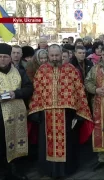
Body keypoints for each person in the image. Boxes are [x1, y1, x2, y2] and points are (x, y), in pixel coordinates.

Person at [28, 44, 94, 178]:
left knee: (68, 143)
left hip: (67, 114)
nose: (54, 58)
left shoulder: (71, 70)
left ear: (62, 54)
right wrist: (35, 111)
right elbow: (37, 91)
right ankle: (48, 170)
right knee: (47, 144)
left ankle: (66, 170)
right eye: (51, 55)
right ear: (48, 55)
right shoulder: (42, 70)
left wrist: (79, 111)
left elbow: (79, 91)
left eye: (56, 55)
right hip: (46, 115)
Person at [0, 43, 33, 179]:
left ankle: (17, 170)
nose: (2, 59)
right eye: (0, 57)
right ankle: (4, 173)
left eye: (5, 57)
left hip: (19, 116)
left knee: (18, 142)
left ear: (10, 58)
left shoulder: (20, 72)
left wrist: (17, 94)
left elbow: (29, 88)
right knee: (1, 145)